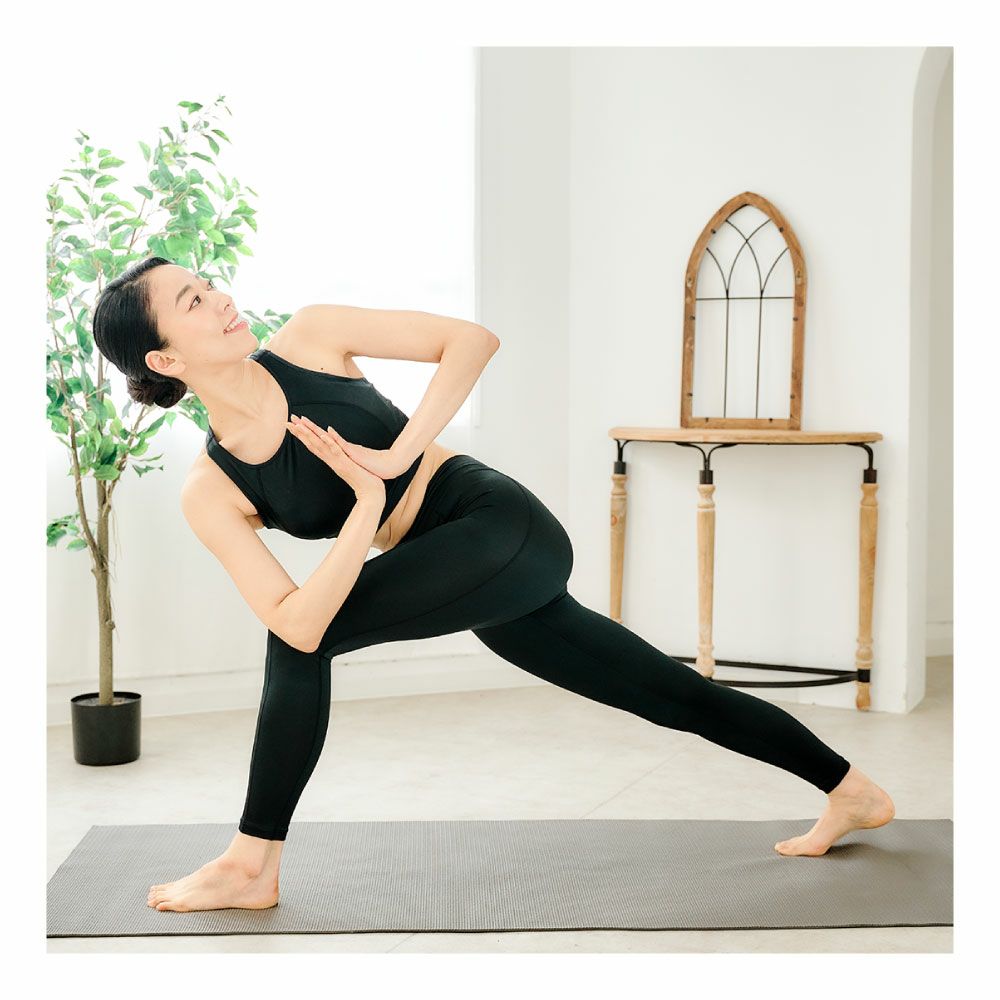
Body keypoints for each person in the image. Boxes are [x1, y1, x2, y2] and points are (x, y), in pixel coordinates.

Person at [91, 257, 895, 914]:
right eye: (192, 301)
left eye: (209, 284)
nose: (220, 299)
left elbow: (471, 340)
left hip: (497, 526)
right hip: (458, 578)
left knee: (301, 642)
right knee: (665, 694)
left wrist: (397, 457)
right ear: (165, 360)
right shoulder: (212, 488)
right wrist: (367, 507)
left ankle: (250, 863)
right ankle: (851, 790)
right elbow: (294, 618)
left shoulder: (312, 336)